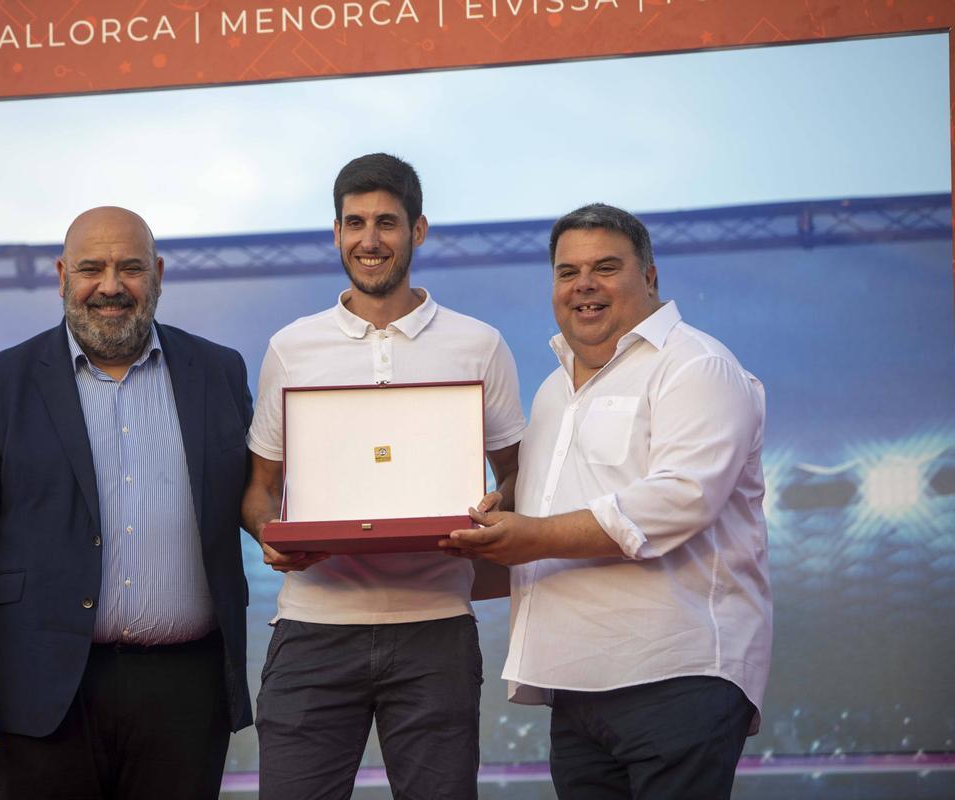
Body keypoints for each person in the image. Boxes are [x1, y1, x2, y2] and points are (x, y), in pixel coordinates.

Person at [442, 203, 773, 799]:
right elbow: (542, 506)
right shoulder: (554, 390)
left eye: (606, 268)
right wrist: (484, 517)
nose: (584, 285)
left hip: (676, 673)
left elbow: (680, 499)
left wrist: (529, 536)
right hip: (574, 683)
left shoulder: (697, 365)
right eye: (567, 272)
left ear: (650, 276)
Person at [0, 206, 253, 799]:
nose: (110, 286)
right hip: (41, 689)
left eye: (130, 268)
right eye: (91, 268)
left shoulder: (218, 371)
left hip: (186, 691)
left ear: (157, 274)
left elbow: (262, 495)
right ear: (62, 276)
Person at [242, 153, 527, 799]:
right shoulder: (292, 347)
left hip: (436, 628)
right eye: (355, 223)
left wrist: (493, 512)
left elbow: (518, 475)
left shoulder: (478, 344)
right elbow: (260, 489)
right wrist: (269, 535)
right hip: (312, 627)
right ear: (336, 232)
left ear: (418, 230)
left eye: (387, 223)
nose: (369, 240)